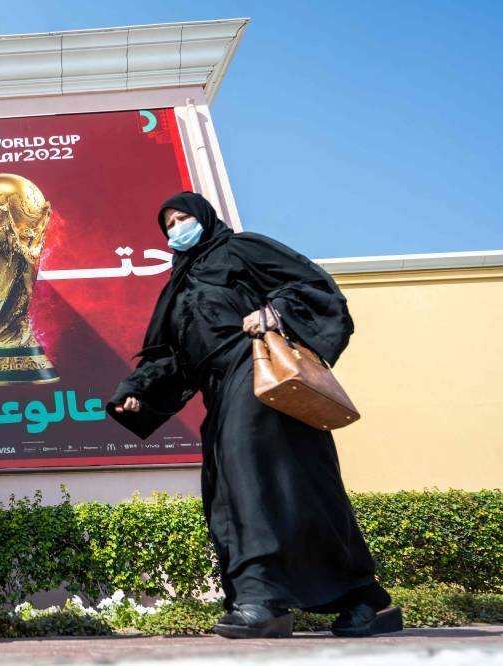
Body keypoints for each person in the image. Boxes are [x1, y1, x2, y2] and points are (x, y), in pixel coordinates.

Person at [107, 191, 402, 639]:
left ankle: (262, 599)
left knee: (249, 479)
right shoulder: (178, 285)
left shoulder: (240, 248)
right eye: (167, 225)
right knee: (254, 488)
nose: (174, 229)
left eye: (182, 218)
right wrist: (137, 390)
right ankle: (359, 598)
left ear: (204, 217)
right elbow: (172, 355)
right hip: (221, 391)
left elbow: (311, 284)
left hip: (260, 373)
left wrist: (274, 311)